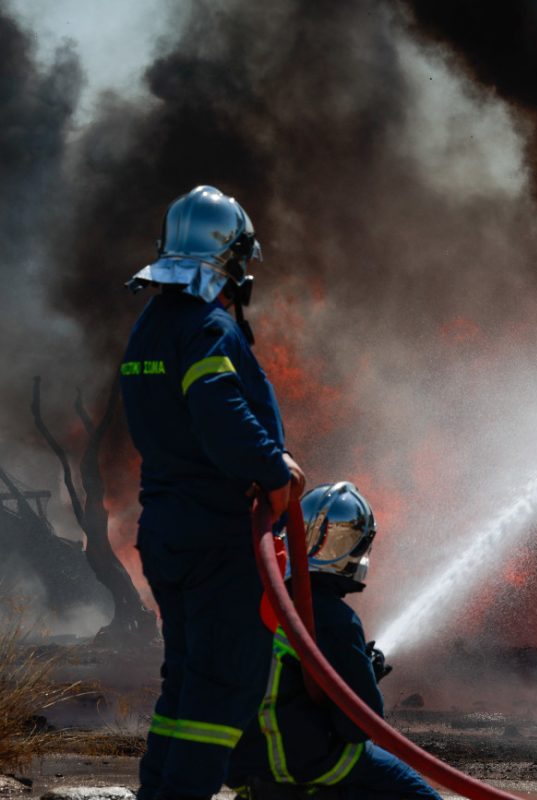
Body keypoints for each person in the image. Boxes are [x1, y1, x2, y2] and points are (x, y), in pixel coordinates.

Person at [120, 185, 305, 800]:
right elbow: (219, 409)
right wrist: (272, 470)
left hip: (167, 529)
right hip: (217, 533)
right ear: (230, 256)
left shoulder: (150, 328)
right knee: (221, 684)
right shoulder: (208, 327)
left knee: (185, 682)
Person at [228, 481, 441, 800]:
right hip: (308, 767)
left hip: (248, 769)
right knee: (418, 794)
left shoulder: (260, 603)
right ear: (353, 547)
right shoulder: (334, 620)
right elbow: (361, 726)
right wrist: (366, 675)